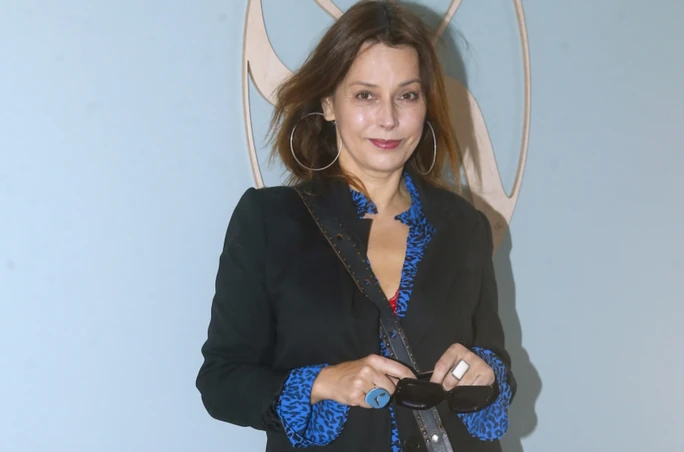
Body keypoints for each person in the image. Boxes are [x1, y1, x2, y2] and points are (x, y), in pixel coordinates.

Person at [196, 1, 516, 451]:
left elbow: (495, 361)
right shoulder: (269, 221)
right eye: (365, 95)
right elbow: (222, 381)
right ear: (329, 103)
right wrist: (324, 382)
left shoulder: (465, 227)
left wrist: (484, 372)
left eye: (407, 95)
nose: (389, 118)